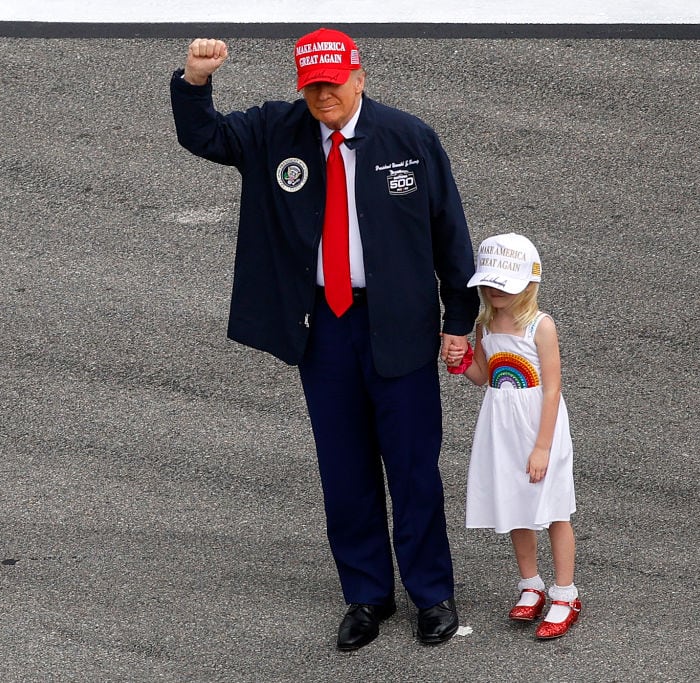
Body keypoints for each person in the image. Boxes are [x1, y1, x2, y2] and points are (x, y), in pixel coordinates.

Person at [169, 28, 479, 650]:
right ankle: (366, 595)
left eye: (333, 83)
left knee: (414, 467)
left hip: (400, 323)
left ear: (359, 77)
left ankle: (431, 593)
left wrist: (458, 318)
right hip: (325, 327)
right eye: (312, 85)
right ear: (300, 85)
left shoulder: (409, 139)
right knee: (344, 468)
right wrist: (196, 80)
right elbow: (204, 136)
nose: (323, 95)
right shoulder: (273, 131)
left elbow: (449, 228)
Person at [445, 232, 581, 640]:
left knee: (553, 507)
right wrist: (460, 361)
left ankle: (565, 593)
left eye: (503, 284)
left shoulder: (541, 326)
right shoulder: (485, 325)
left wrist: (542, 447)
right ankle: (531, 584)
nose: (494, 291)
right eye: (488, 283)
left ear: (528, 283)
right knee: (517, 505)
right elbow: (486, 377)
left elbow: (553, 388)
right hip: (501, 426)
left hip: (540, 427)